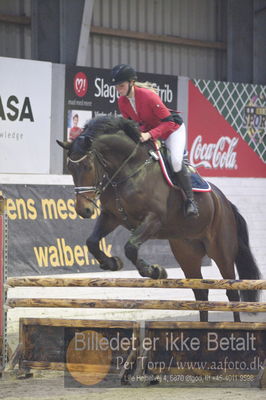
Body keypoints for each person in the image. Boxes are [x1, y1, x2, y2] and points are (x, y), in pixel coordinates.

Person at [110, 64, 198, 217]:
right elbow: (130, 124)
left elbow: (169, 122)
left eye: (121, 85)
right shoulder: (122, 102)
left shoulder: (148, 96)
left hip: (172, 130)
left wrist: (150, 135)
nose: (119, 89)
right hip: (150, 131)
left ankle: (190, 201)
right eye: (116, 86)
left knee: (176, 162)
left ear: (131, 82)